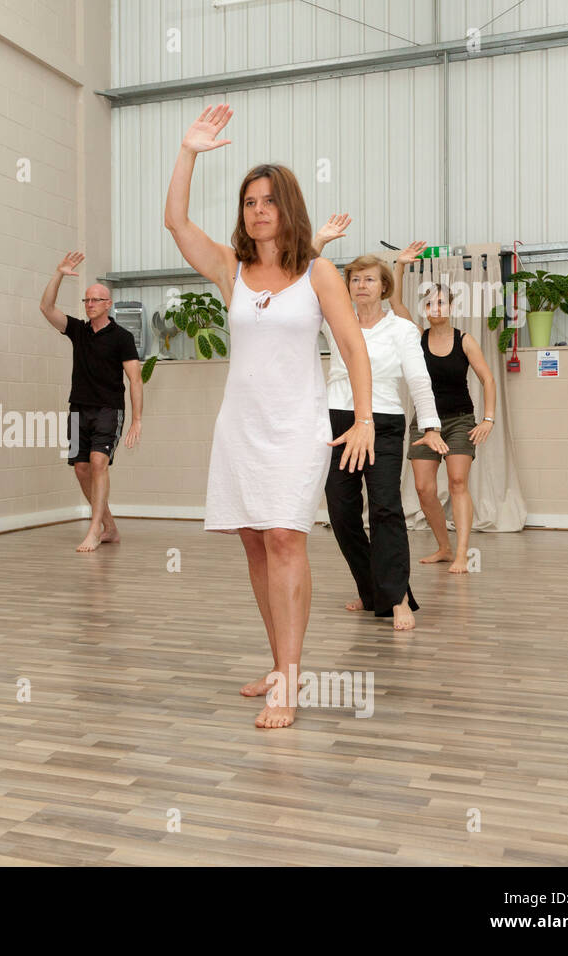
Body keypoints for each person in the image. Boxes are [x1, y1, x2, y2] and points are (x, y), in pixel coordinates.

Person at [165, 105, 374, 730]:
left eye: (268, 201)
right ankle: (279, 662)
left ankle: (289, 678)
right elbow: (175, 221)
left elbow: (352, 347)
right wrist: (188, 153)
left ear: (288, 208)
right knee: (255, 545)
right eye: (249, 202)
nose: (258, 210)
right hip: (240, 428)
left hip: (297, 427)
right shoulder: (231, 271)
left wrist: (363, 418)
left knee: (285, 538)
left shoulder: (319, 272)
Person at [310, 225, 449, 630]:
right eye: (354, 279)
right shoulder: (335, 322)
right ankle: (373, 588)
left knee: (386, 508)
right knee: (342, 512)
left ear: (384, 287)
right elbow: (303, 287)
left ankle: (397, 595)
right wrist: (318, 244)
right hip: (338, 420)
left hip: (384, 422)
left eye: (370, 279)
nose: (361, 284)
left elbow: (420, 380)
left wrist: (431, 426)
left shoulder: (401, 330)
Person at [388, 242, 498, 573]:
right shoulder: (416, 337)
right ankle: (444, 547)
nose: (436, 307)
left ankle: (463, 553)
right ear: (424, 309)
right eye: (430, 302)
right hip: (424, 422)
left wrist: (488, 419)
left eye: (441, 302)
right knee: (423, 488)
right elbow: (393, 301)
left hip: (460, 421)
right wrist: (400, 265)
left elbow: (487, 380)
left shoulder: (465, 340)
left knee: (458, 482)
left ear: (450, 307)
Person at [39, 251, 143, 552]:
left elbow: (135, 379)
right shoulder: (78, 331)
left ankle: (95, 528)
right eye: (86, 300)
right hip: (78, 410)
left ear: (108, 304)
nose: (90, 304)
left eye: (96, 300)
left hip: (109, 409)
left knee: (99, 463)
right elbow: (46, 307)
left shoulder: (122, 337)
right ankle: (108, 525)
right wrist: (59, 273)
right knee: (81, 469)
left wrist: (136, 419)